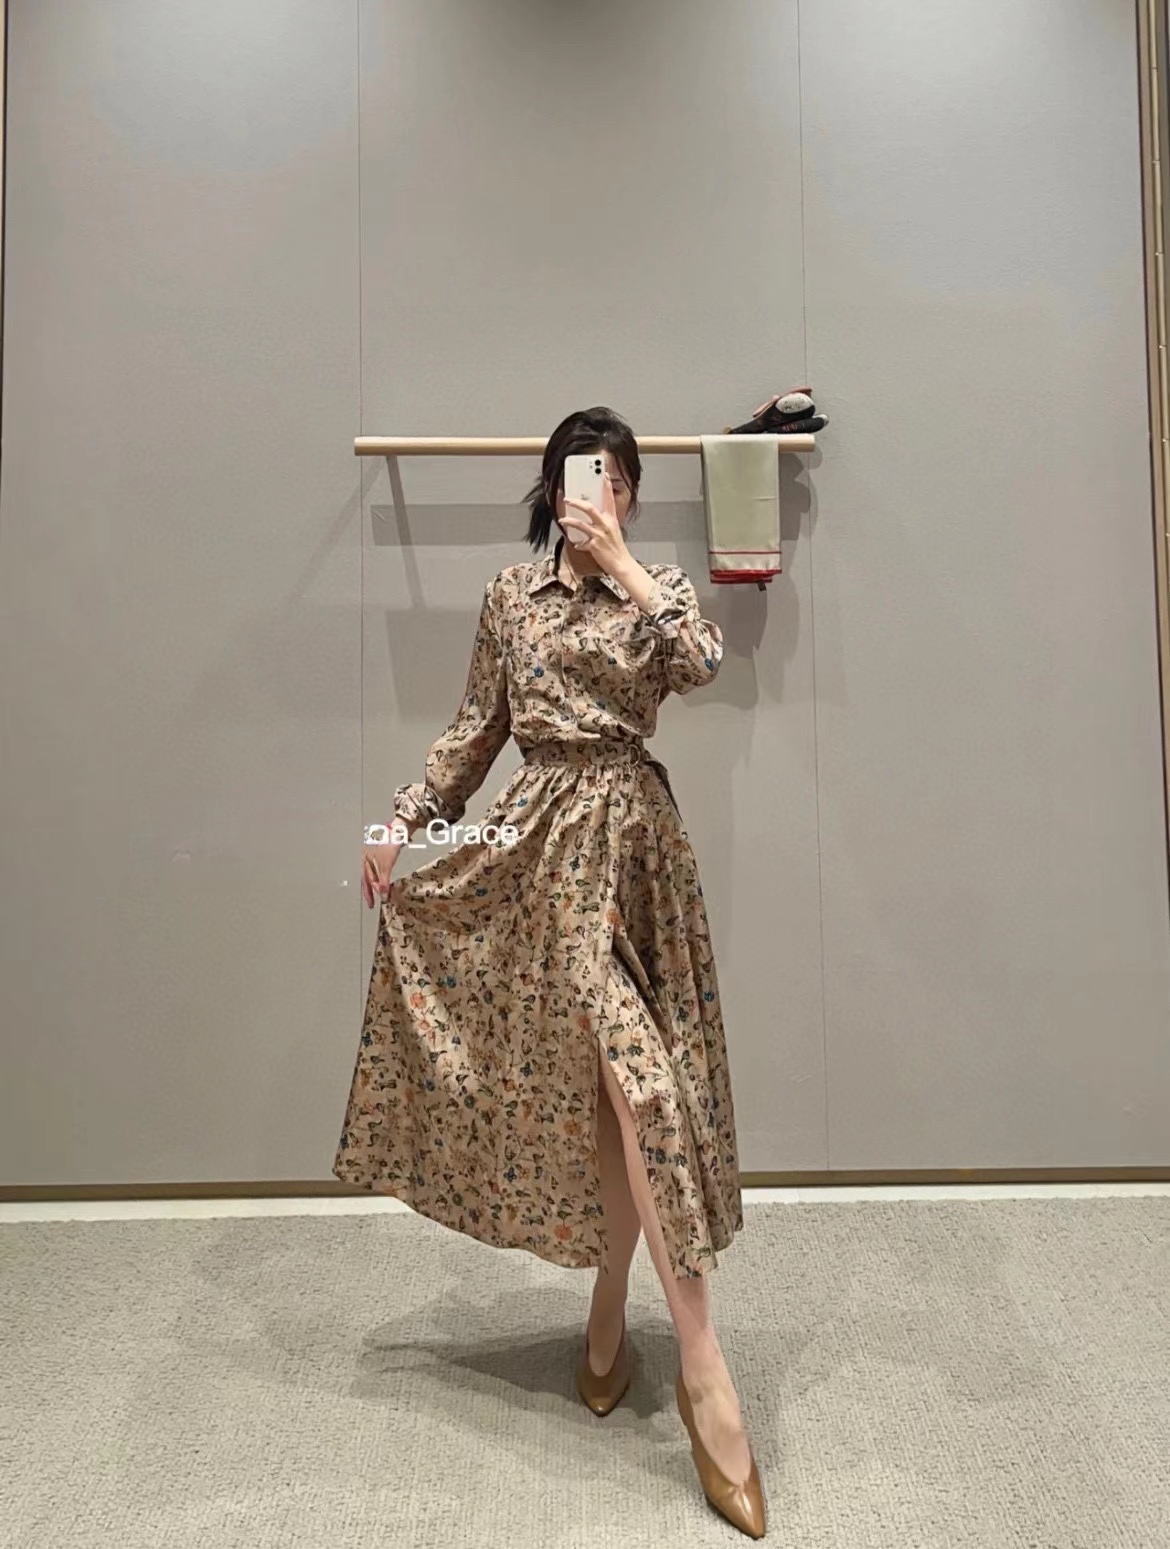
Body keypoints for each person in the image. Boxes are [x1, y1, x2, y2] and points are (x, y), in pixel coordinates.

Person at [334, 406, 766, 1538]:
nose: (600, 490)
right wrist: (403, 817)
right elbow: (475, 731)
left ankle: (617, 1306)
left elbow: (703, 660)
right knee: (628, 1082)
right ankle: (704, 1366)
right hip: (539, 850)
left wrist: (625, 567)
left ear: (630, 494)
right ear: (551, 485)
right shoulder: (510, 599)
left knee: (625, 1095)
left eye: (618, 477)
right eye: (585, 472)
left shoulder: (654, 592)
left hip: (637, 852)